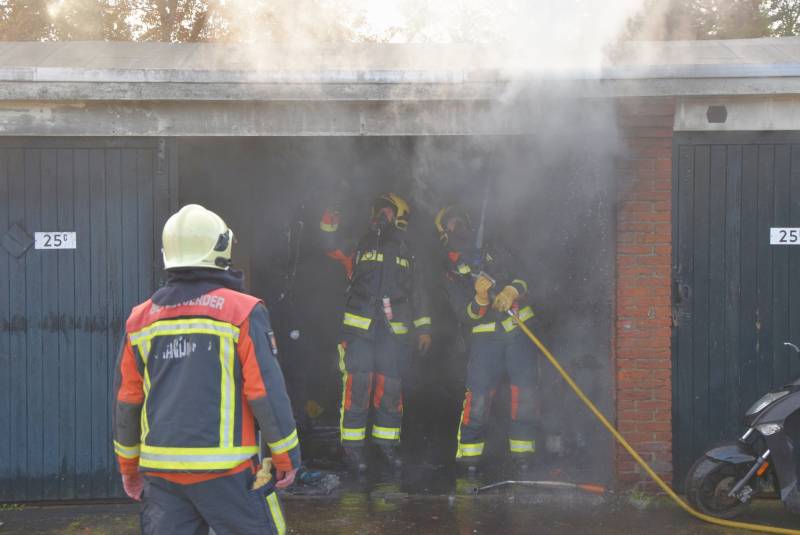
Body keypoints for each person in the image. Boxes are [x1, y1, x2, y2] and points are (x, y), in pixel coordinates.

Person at [112, 204, 300, 535]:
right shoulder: (243, 311)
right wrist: (286, 457)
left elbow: (128, 399)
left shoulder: (140, 319)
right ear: (221, 247)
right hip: (228, 474)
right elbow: (264, 392)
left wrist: (129, 467)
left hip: (162, 474)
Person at [320, 192, 432, 471]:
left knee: (391, 389)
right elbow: (330, 246)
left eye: (388, 211)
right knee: (357, 386)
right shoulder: (359, 242)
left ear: (400, 216)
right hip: (360, 330)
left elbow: (419, 293)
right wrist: (330, 219)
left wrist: (424, 329)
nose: (381, 215)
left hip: (394, 333)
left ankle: (387, 447)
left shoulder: (408, 249)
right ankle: (353, 450)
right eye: (379, 210)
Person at [435, 205, 537, 473]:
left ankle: (523, 457)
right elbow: (464, 313)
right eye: (451, 225)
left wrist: (512, 290)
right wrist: (480, 300)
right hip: (485, 338)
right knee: (478, 398)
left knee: (524, 393)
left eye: (460, 221)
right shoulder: (450, 270)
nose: (457, 228)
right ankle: (469, 460)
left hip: (517, 328)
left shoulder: (495, 247)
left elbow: (526, 275)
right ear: (444, 233)